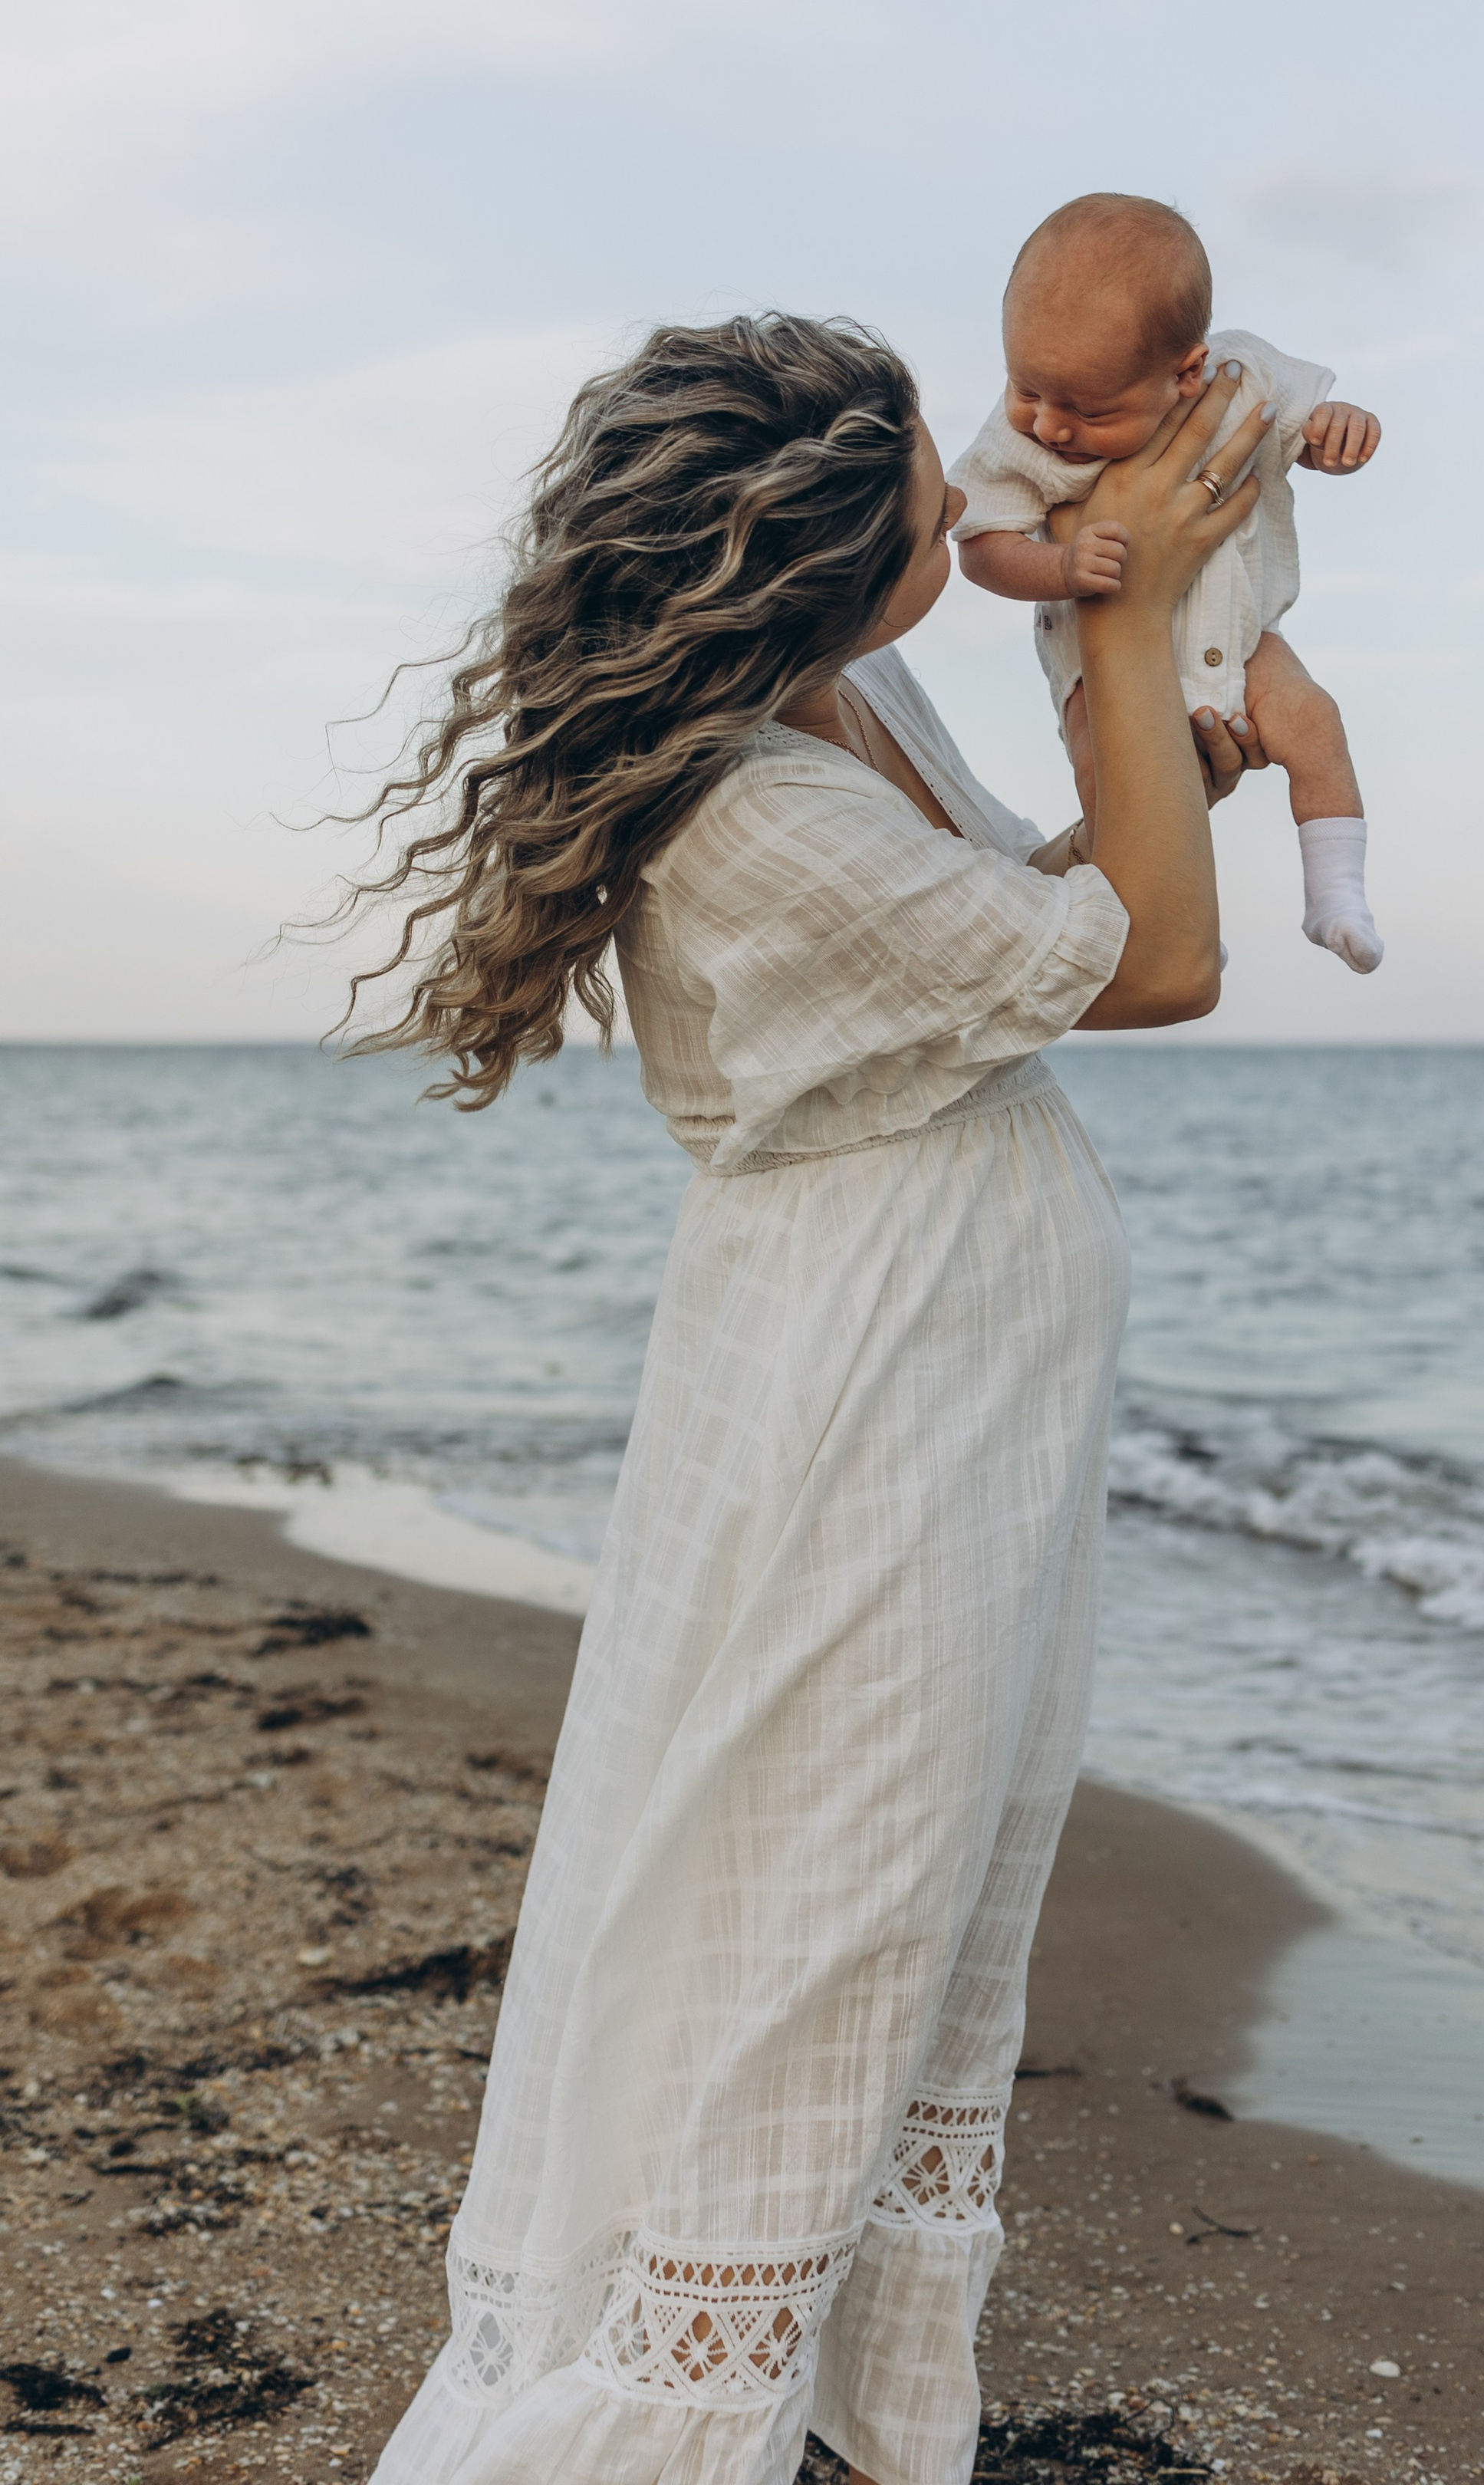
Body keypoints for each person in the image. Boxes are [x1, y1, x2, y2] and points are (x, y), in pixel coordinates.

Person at [341, 311, 1266, 2485]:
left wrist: (1158, 770)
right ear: (829, 566)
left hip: (944, 1366)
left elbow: (999, 937)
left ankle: (826, 2403)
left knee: (911, 1878)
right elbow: (1157, 966)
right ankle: (675, 2416)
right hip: (882, 1380)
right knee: (826, 1883)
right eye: (943, 518)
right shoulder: (747, 810)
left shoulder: (840, 697)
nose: (982, 521)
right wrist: (1132, 630)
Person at [951, 191, 1386, 973]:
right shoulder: (1018, 440)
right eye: (1027, 390)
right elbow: (980, 545)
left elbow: (1304, 430)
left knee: (1315, 726)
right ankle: (1163, 922)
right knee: (1111, 785)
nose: (1049, 425)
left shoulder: (1244, 375)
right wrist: (1057, 566)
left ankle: (1335, 895)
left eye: (1084, 408)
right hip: (1100, 666)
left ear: (1185, 372)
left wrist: (1337, 431)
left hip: (1243, 641)